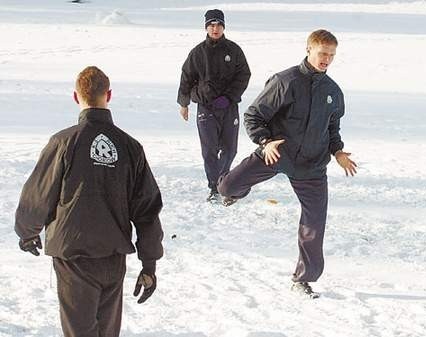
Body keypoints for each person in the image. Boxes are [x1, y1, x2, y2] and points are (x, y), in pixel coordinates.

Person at [15, 66, 164, 336]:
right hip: (112, 257)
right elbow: (147, 211)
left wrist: (27, 233)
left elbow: (38, 195)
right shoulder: (130, 147)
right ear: (109, 94)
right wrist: (149, 264)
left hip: (74, 257)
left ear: (76, 97)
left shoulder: (63, 143)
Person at [218, 29, 357, 297]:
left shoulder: (333, 92)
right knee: (226, 187)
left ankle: (303, 279)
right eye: (322, 53)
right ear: (308, 50)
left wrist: (338, 152)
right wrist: (265, 142)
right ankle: (236, 193)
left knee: (314, 224)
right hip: (276, 153)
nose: (326, 59)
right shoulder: (286, 81)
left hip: (312, 166)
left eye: (331, 55)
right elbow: (254, 116)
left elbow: (332, 127)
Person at [177, 8, 251, 202]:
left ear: (223, 26)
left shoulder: (233, 50)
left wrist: (230, 96)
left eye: (218, 24)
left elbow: (244, 75)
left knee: (230, 148)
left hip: (229, 106)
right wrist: (184, 103)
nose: (215, 28)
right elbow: (187, 77)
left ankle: (223, 180)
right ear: (206, 27)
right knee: (209, 149)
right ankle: (214, 187)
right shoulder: (198, 53)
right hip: (206, 107)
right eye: (211, 25)